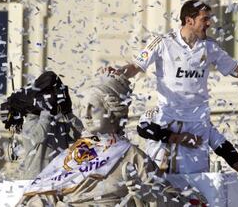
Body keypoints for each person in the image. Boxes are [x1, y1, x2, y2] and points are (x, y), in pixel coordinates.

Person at [107, 0, 238, 187]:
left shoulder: (210, 47)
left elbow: (237, 71)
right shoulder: (163, 43)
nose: (209, 23)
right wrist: (116, 73)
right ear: (189, 20)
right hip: (169, 114)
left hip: (197, 118)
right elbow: (136, 67)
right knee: (156, 182)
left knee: (197, 186)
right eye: (205, 19)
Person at [18, 74, 207, 207]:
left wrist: (147, 193)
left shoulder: (132, 156)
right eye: (83, 107)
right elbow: (47, 192)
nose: (85, 114)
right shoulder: (73, 153)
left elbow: (174, 200)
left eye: (93, 107)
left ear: (112, 112)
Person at [0, 71, 83, 179]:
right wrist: (46, 110)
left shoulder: (57, 125)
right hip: (36, 184)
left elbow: (81, 134)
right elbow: (38, 136)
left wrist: (68, 113)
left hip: (57, 181)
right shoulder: (28, 125)